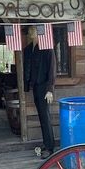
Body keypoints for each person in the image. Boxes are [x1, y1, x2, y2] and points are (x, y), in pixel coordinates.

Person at [23, 26, 57, 157]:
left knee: (45, 117)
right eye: (30, 30)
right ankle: (46, 142)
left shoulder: (47, 48)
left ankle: (49, 147)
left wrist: (50, 90)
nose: (31, 32)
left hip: (44, 87)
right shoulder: (29, 49)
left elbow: (52, 70)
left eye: (34, 30)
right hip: (35, 86)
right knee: (41, 117)